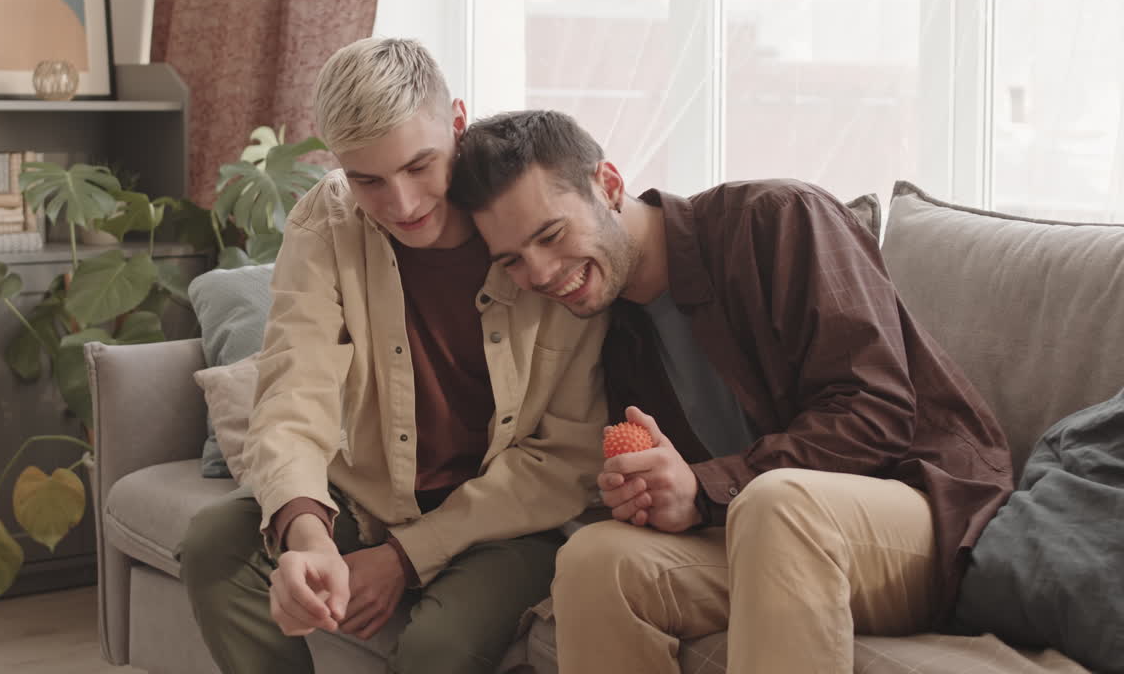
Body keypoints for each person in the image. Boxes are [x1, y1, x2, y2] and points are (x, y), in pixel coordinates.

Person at [447, 109, 1014, 674]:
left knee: (778, 503)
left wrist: (704, 487)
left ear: (610, 186)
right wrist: (655, 495)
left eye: (551, 234)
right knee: (596, 560)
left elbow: (878, 412)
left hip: (924, 523)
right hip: (763, 543)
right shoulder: (608, 328)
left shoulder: (777, 219)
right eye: (513, 260)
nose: (541, 273)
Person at [180, 43, 607, 674]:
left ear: (457, 125)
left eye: (419, 166)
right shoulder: (325, 222)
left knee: (437, 648)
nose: (402, 204)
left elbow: (566, 457)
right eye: (367, 180)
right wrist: (307, 534)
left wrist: (406, 556)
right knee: (216, 546)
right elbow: (295, 392)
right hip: (371, 500)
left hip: (510, 524)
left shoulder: (536, 230)